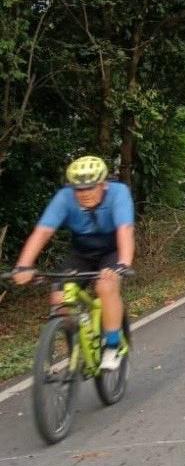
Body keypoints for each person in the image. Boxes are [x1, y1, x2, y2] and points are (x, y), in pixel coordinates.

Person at [12, 156, 135, 371]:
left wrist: (122, 264)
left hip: (112, 250)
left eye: (90, 188)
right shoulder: (64, 198)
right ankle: (76, 349)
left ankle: (112, 346)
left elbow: (125, 230)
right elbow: (43, 231)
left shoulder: (118, 193)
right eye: (78, 189)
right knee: (59, 298)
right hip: (82, 252)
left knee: (105, 286)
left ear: (103, 184)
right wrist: (23, 265)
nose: (84, 194)